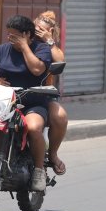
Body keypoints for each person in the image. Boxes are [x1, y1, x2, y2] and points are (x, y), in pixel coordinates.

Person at [0, 14, 54, 192]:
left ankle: (38, 170)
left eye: (15, 36)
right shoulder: (1, 50)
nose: (10, 39)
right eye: (9, 35)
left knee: (34, 127)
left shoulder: (41, 49)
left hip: (32, 103)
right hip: (4, 102)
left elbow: (37, 69)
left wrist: (24, 48)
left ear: (27, 34)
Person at [34, 11, 68, 177]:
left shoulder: (50, 47)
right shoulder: (23, 43)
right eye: (36, 28)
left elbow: (60, 61)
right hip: (17, 91)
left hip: (43, 93)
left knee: (60, 116)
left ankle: (52, 154)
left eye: (42, 30)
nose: (37, 32)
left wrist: (49, 40)